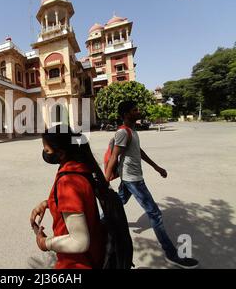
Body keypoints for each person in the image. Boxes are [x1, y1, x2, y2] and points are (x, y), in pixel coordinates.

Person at [104, 100, 199, 269]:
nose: (139, 111)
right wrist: (105, 182)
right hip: (132, 179)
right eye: (135, 110)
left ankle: (95, 224)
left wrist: (156, 167)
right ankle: (172, 254)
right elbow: (113, 158)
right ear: (126, 114)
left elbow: (138, 151)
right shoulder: (123, 133)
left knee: (118, 203)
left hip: (131, 178)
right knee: (155, 214)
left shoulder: (132, 130)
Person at [30, 125, 107, 269]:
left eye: (47, 150)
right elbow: (79, 201)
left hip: (77, 264)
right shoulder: (79, 168)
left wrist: (45, 243)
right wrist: (48, 203)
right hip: (94, 255)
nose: (45, 154)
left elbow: (79, 242)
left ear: (61, 152)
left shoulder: (68, 182)